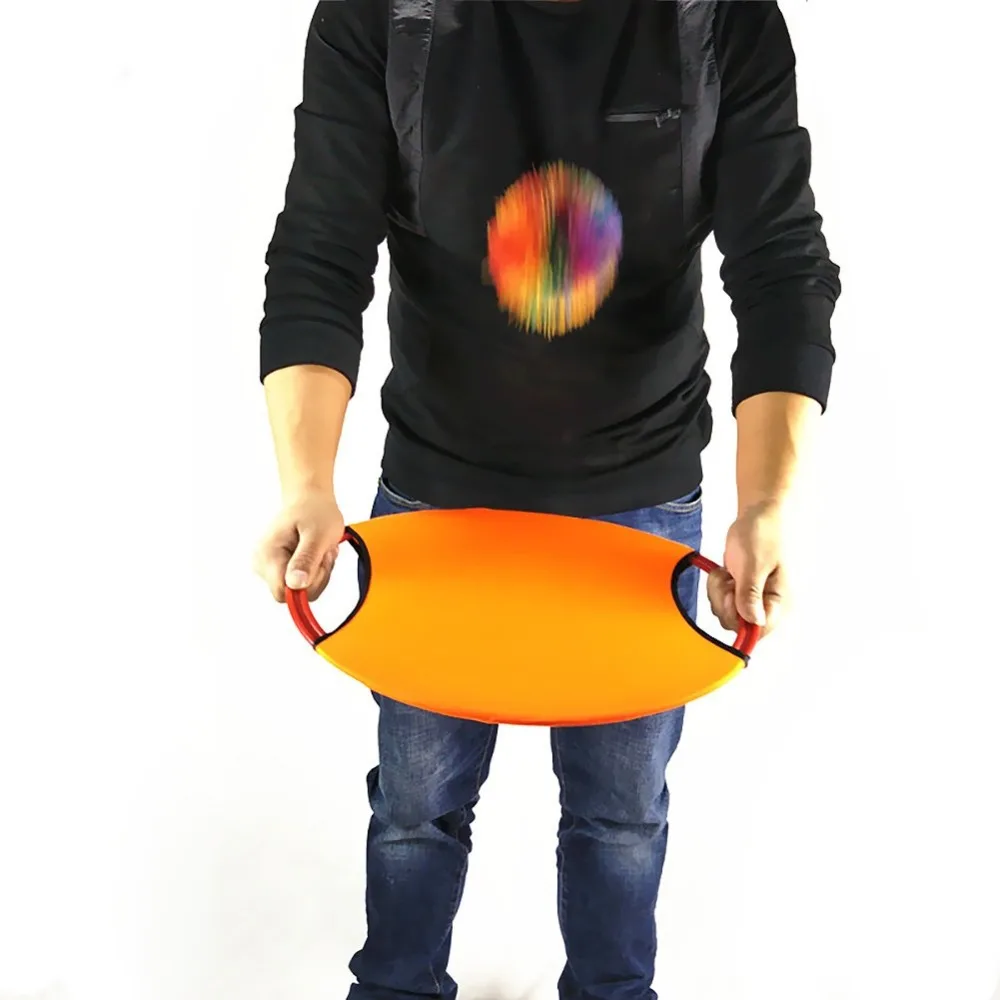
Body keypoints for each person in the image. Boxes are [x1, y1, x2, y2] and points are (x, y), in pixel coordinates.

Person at [253, 1, 840, 998]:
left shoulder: (719, 18)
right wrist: (307, 483)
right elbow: (321, 249)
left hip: (641, 497)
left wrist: (765, 504)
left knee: (621, 816)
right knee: (416, 806)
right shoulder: (382, 12)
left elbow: (780, 266)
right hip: (439, 496)